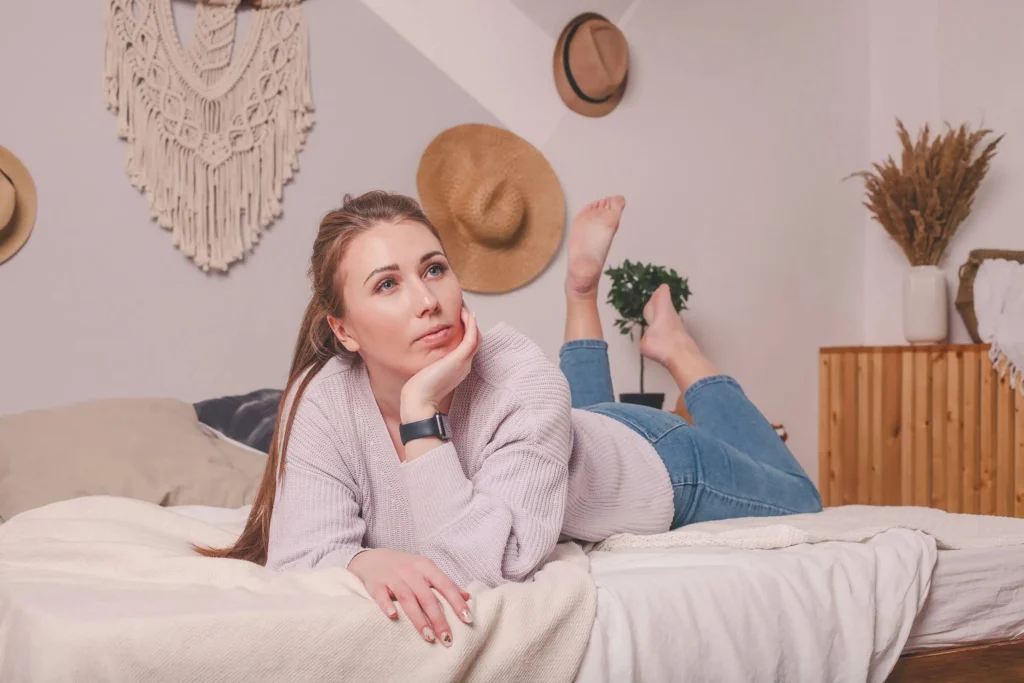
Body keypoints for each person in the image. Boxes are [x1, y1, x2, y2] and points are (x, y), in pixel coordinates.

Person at [194, 191, 822, 648]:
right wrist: (362, 562)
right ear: (342, 329)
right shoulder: (323, 397)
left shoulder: (518, 373)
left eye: (434, 269)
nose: (427, 300)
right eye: (386, 285)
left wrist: (420, 416)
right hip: (573, 434)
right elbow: (301, 552)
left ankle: (680, 353)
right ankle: (581, 294)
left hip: (660, 465)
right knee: (577, 415)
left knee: (803, 499)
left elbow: (488, 564)